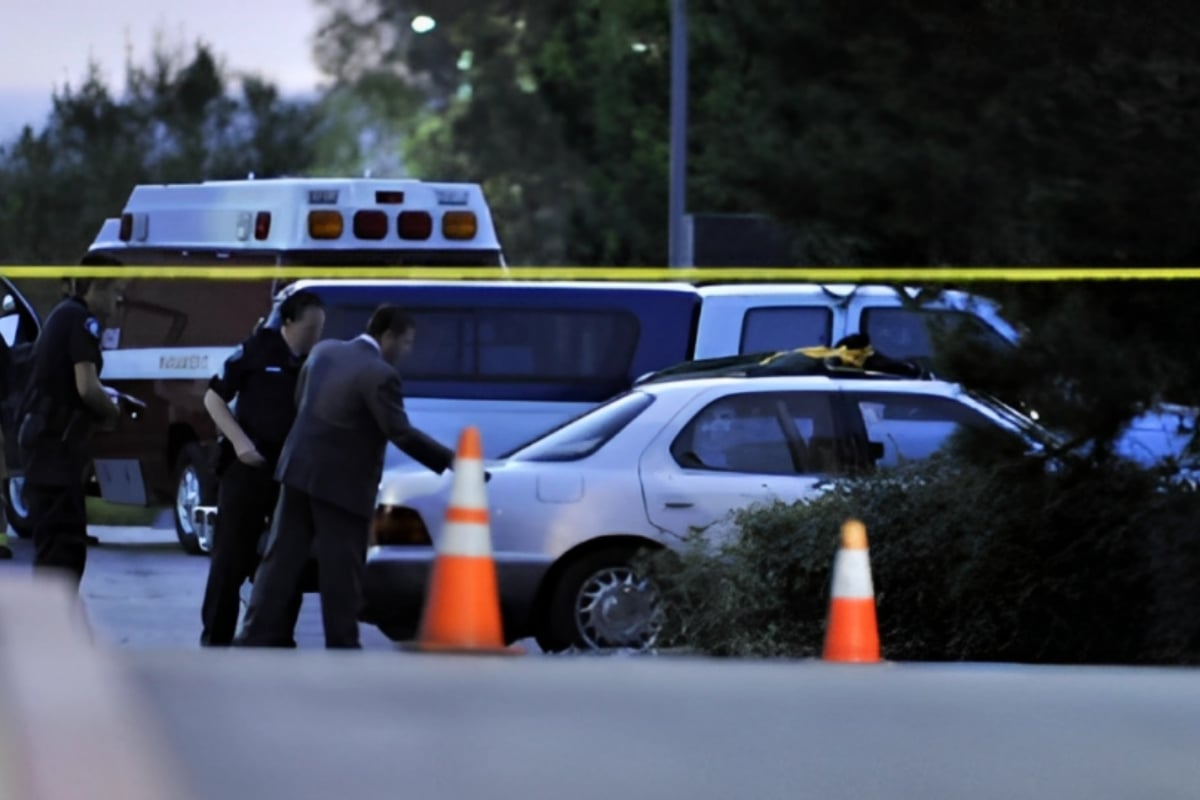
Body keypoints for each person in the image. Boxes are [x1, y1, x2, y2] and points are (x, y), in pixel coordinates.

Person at [235, 305, 458, 649]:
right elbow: (400, 432)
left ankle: (254, 633)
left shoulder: (323, 352)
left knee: (280, 559)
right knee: (342, 566)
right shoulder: (380, 374)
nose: (408, 351)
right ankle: (342, 643)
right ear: (388, 335)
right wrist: (454, 461)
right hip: (342, 483)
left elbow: (301, 402)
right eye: (407, 342)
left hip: (297, 469)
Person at [198, 289, 326, 647]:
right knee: (231, 557)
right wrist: (241, 445)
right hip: (249, 468)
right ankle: (216, 638)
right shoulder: (256, 350)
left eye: (320, 329)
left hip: (289, 472)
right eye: (310, 328)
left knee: (287, 558)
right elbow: (213, 398)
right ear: (288, 322)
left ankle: (274, 636)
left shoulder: (314, 363)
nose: (315, 336)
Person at [16, 277, 126, 589]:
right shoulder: (80, 319)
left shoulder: (62, 315)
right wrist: (112, 411)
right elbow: (87, 387)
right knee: (63, 551)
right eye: (115, 292)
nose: (118, 301)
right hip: (55, 450)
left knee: (56, 547)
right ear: (96, 288)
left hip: (44, 444)